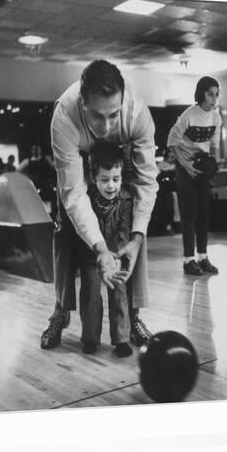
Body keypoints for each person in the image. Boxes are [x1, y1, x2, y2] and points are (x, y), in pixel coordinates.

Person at [40, 59, 159, 349]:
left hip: (116, 166)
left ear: (123, 102)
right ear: (82, 103)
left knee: (134, 230)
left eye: (113, 115)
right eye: (97, 116)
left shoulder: (138, 114)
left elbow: (146, 181)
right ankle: (60, 311)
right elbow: (74, 195)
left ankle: (134, 317)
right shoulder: (64, 117)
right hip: (82, 171)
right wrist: (101, 249)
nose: (105, 127)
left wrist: (136, 237)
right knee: (66, 228)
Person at [77, 140, 134, 358]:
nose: (111, 186)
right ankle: (90, 338)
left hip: (116, 256)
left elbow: (124, 230)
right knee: (91, 294)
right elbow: (83, 228)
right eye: (105, 180)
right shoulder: (86, 199)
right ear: (93, 179)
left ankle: (121, 339)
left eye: (116, 180)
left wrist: (116, 256)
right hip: (91, 256)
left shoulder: (126, 200)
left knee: (119, 292)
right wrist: (98, 254)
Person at [167, 76, 222, 276]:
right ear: (201, 94)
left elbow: (214, 146)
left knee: (204, 214)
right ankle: (188, 260)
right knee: (188, 214)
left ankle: (203, 257)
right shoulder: (188, 115)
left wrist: (213, 168)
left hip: (202, 167)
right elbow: (172, 142)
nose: (214, 99)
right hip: (185, 167)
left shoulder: (216, 118)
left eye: (216, 94)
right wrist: (186, 167)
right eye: (210, 94)